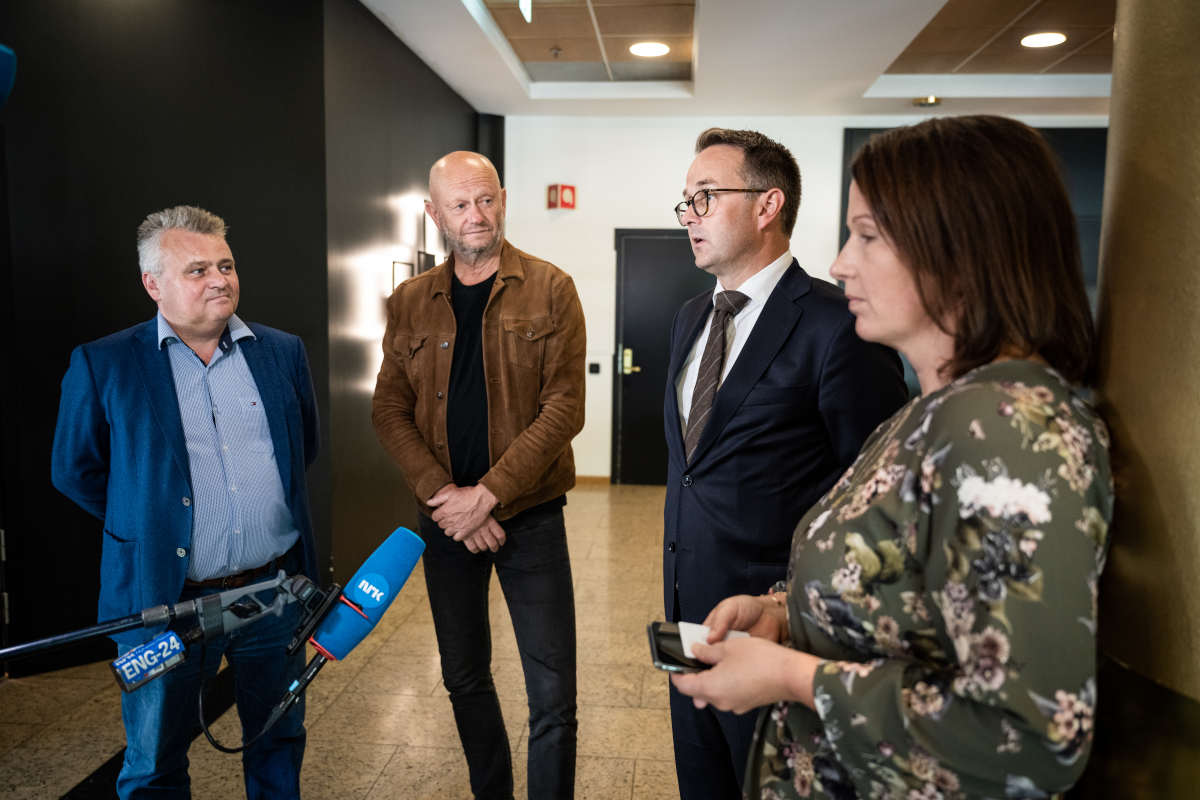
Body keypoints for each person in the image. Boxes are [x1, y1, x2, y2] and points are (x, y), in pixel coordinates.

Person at [670, 115, 1115, 800]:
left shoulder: (1009, 431)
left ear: (964, 253)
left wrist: (793, 676)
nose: (843, 261)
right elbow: (907, 590)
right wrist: (785, 614)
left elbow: (1028, 735)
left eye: (868, 236)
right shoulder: (930, 414)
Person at [663, 128, 909, 799]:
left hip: (782, 629)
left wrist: (793, 604)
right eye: (685, 201)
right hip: (688, 617)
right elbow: (693, 467)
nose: (690, 216)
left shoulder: (837, 325)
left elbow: (877, 497)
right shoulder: (691, 317)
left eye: (706, 198)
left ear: (768, 205)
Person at [51, 205, 320, 799]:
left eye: (225, 265)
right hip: (163, 601)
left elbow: (302, 450)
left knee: (278, 741)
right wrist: (151, 522)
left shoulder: (281, 353)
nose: (219, 279)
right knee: (154, 762)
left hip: (270, 593)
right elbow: (75, 470)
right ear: (153, 284)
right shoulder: (106, 363)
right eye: (197, 269)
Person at [372, 151, 585, 800]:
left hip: (532, 518)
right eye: (460, 205)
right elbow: (388, 408)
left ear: (504, 199)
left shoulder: (551, 287)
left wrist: (487, 497)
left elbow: (565, 407)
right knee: (464, 677)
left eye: (487, 200)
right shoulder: (411, 301)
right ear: (434, 213)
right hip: (444, 525)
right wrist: (446, 499)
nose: (477, 216)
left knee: (553, 695)